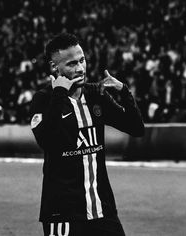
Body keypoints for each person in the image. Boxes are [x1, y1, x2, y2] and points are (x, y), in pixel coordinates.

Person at [30, 33, 145, 236]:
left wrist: (124, 92)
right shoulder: (43, 99)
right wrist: (59, 93)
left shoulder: (96, 95)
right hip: (62, 213)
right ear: (54, 67)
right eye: (72, 64)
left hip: (102, 210)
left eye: (82, 60)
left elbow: (136, 129)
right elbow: (46, 141)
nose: (80, 68)